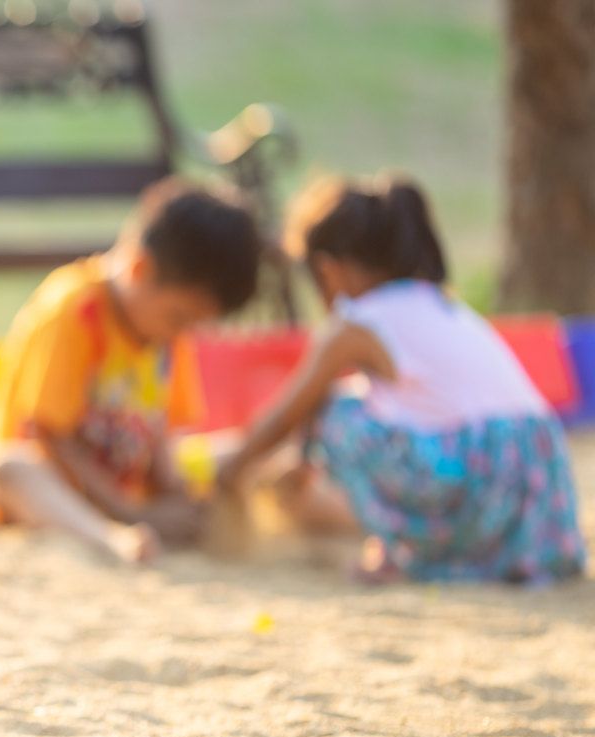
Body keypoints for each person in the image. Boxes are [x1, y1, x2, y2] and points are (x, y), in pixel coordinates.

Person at [217, 174, 585, 584]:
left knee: (332, 411)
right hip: (539, 486)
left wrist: (228, 471)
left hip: (479, 481)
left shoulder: (355, 324)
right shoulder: (443, 305)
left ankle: (401, 552)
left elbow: (286, 415)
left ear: (328, 270)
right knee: (352, 402)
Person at [0, 179, 262, 563]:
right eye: (180, 318)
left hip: (127, 483)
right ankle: (109, 539)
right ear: (140, 268)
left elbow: (161, 432)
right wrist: (129, 512)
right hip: (55, 486)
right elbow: (49, 435)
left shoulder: (167, 332)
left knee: (241, 452)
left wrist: (175, 496)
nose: (184, 333)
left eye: (196, 324)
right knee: (9, 469)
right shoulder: (75, 308)